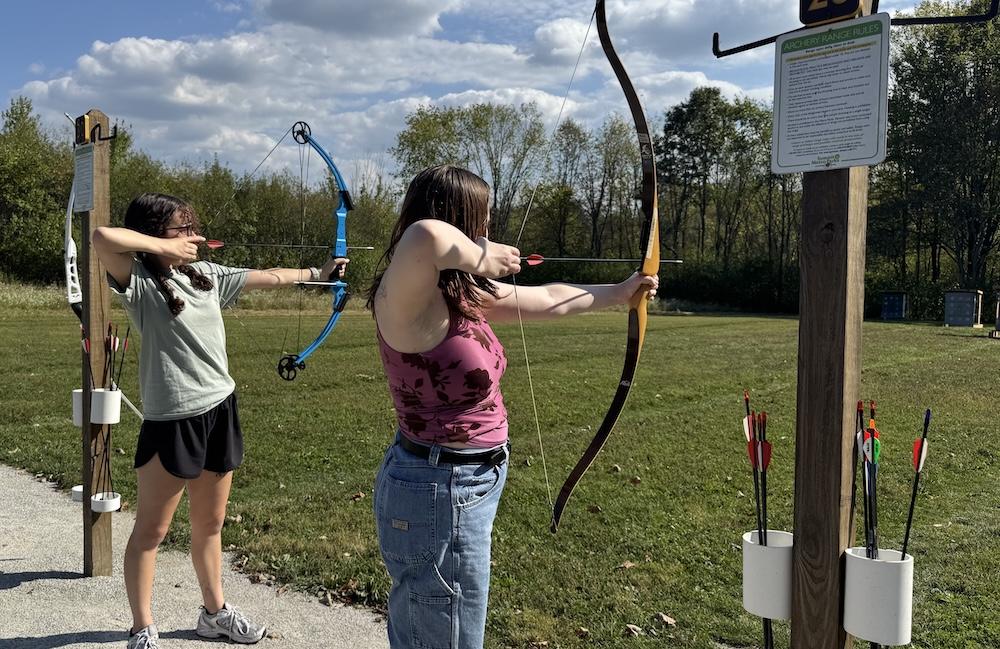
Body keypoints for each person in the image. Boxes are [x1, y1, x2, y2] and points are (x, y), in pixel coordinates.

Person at [366, 165, 658, 649]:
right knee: (446, 634)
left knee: (443, 625)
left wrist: (621, 293)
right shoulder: (406, 298)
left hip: (462, 484)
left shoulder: (457, 293)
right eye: (481, 220)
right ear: (459, 220)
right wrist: (483, 254)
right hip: (439, 488)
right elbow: (424, 237)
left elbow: (548, 299)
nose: (487, 230)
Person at [92, 192, 347, 649]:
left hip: (219, 410)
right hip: (172, 420)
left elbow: (269, 277)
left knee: (210, 525)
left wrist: (319, 274)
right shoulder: (138, 282)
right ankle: (142, 626)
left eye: (193, 228)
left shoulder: (205, 276)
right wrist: (161, 249)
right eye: (182, 230)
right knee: (152, 530)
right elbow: (102, 237)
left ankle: (213, 614)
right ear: (155, 235)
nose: (194, 237)